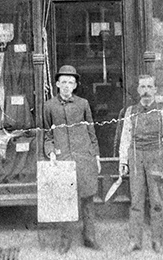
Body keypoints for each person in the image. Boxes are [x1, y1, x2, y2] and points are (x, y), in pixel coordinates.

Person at [44, 65, 101, 254]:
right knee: (65, 201)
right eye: (64, 82)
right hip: (64, 159)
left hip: (84, 158)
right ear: (58, 84)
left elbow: (91, 131)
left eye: (71, 82)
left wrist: (96, 156)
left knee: (87, 200)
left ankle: (89, 237)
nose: (67, 86)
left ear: (75, 85)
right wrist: (51, 152)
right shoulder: (49, 106)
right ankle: (65, 240)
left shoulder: (83, 104)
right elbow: (46, 135)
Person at [119, 74, 163, 254]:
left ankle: (157, 240)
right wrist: (123, 161)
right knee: (136, 201)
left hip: (155, 157)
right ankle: (134, 240)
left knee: (156, 200)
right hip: (136, 157)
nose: (145, 91)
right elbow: (125, 138)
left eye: (149, 87)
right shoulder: (130, 112)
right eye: (142, 87)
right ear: (138, 90)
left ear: (155, 90)